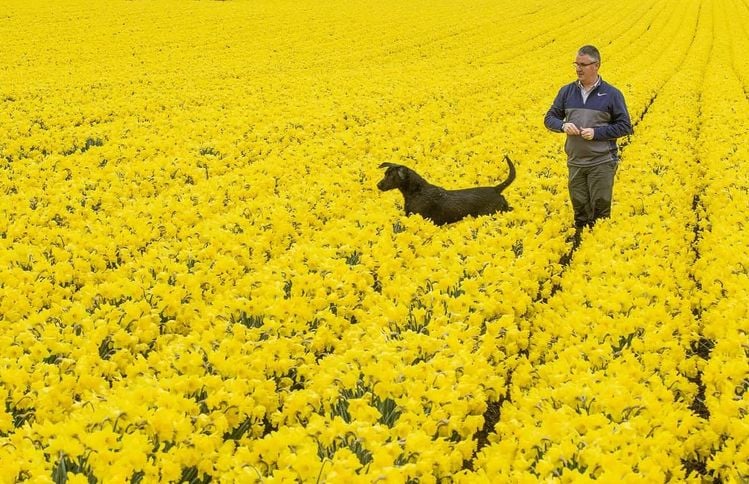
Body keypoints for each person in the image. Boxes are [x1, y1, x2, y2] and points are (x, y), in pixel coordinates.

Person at [544, 45, 632, 242]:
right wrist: (563, 125)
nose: (578, 69)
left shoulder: (611, 94)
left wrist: (597, 133)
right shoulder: (566, 92)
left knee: (600, 212)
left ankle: (600, 251)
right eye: (576, 64)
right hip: (576, 162)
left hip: (601, 162)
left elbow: (625, 126)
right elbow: (549, 118)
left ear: (596, 66)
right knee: (580, 211)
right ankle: (581, 251)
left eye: (583, 65)